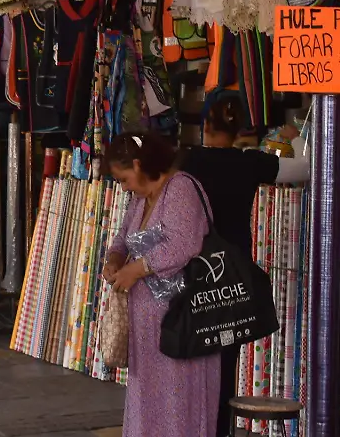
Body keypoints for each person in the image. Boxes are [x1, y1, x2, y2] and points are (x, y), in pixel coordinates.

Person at [179, 93, 309, 436]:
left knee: (188, 361)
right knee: (224, 364)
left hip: (191, 277)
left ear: (205, 125)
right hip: (233, 282)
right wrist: (298, 136)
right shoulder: (250, 163)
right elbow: (308, 167)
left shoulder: (186, 162)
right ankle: (220, 430)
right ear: (238, 129)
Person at [101, 133, 220, 436]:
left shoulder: (180, 189)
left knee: (179, 401)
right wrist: (115, 259)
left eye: (124, 178)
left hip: (181, 321)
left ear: (139, 165)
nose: (124, 187)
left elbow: (184, 244)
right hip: (148, 328)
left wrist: (136, 270)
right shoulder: (141, 200)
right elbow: (122, 237)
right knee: (149, 400)